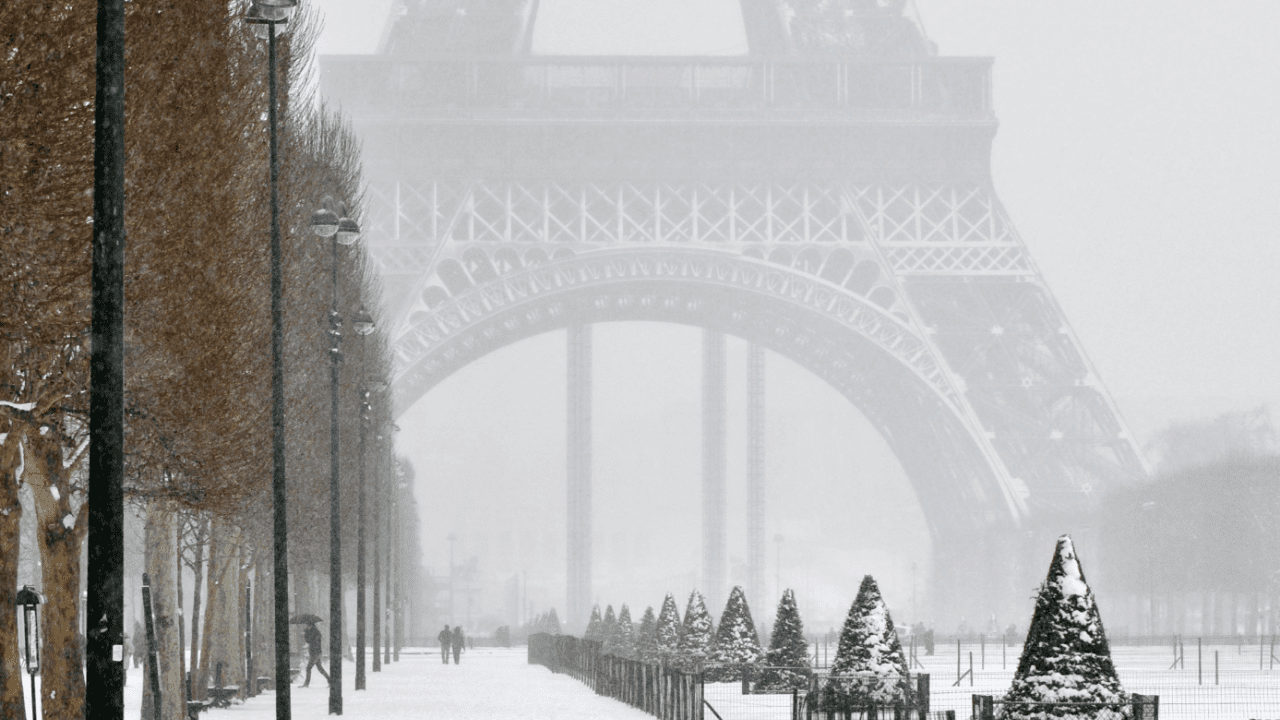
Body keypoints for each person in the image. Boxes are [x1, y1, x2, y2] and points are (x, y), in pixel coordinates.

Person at [303, 622, 330, 687]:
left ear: (310, 625)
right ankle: (330, 681)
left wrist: (306, 633)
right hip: (314, 652)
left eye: (307, 625)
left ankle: (306, 684)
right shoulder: (311, 632)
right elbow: (308, 641)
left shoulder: (316, 632)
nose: (306, 626)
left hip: (315, 653)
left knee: (308, 668)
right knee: (320, 669)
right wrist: (306, 633)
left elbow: (313, 641)